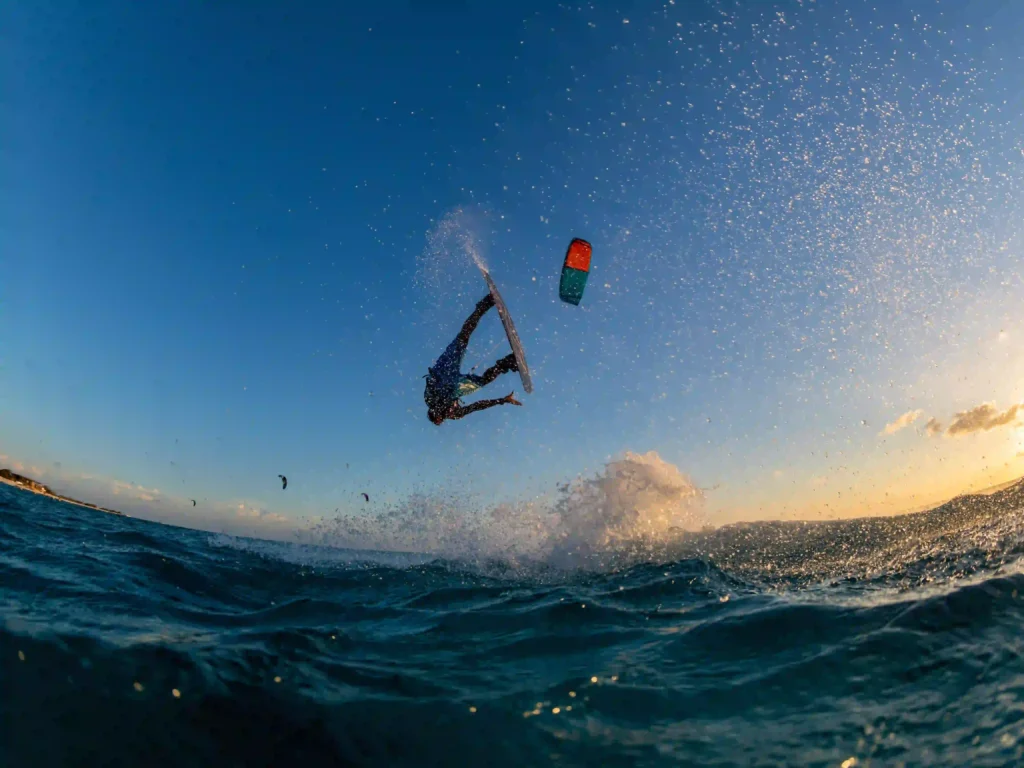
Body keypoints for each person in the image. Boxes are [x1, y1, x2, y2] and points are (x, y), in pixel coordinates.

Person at [425, 294, 522, 425]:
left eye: (438, 415)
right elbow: (477, 406)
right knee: (481, 379)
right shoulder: (453, 413)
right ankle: (507, 362)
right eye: (440, 418)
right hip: (451, 383)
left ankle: (484, 305)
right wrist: (502, 400)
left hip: (442, 374)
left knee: (462, 338)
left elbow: (476, 406)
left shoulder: (432, 401)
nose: (441, 415)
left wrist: (502, 401)